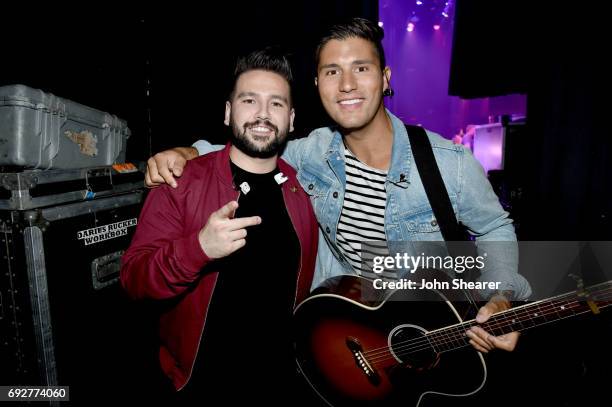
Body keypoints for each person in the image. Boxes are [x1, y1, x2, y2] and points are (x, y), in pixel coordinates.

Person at [145, 18, 531, 356]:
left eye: (361, 68)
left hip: (438, 335)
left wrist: (500, 297)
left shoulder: (450, 163)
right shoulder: (313, 153)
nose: (347, 84)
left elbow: (495, 227)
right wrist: (186, 151)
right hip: (352, 343)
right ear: (317, 84)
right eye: (332, 72)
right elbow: (252, 145)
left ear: (385, 77)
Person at [120, 48, 319, 404]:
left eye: (276, 104)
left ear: (290, 120)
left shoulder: (303, 192)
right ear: (228, 113)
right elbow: (134, 280)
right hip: (198, 385)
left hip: (283, 384)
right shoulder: (182, 181)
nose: (262, 113)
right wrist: (198, 250)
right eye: (249, 100)